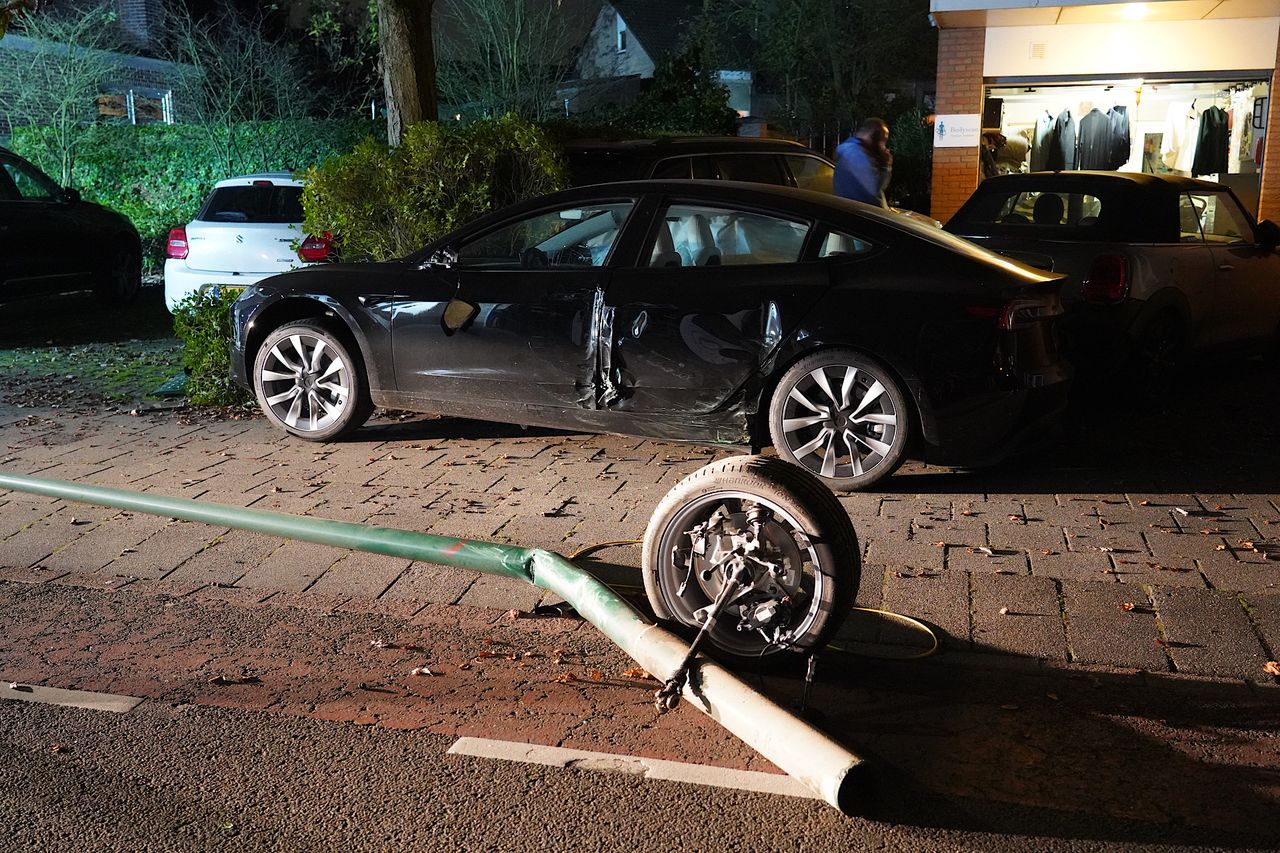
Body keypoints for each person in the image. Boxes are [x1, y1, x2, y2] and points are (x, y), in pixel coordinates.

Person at [834, 118, 892, 207]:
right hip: (865, 214)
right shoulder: (856, 154)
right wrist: (885, 165)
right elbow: (874, 188)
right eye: (882, 140)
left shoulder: (855, 151)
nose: (883, 146)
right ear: (873, 135)